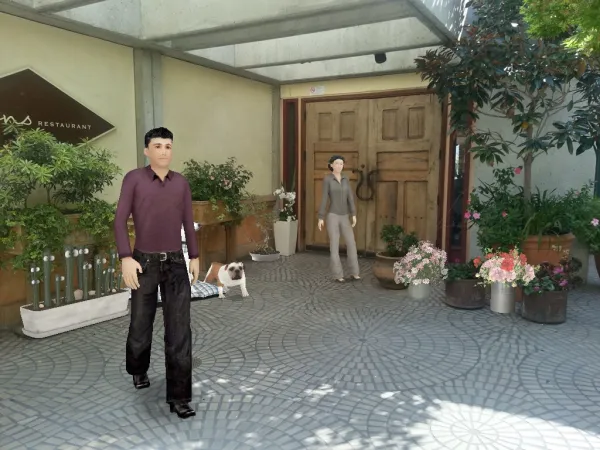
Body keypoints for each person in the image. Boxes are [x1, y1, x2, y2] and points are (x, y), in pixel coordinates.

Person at [114, 127, 200, 419]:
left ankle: (180, 397)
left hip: (175, 263)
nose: (164, 151)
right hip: (144, 264)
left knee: (180, 330)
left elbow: (188, 222)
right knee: (140, 323)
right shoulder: (134, 179)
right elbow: (119, 221)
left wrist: (194, 256)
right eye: (158, 146)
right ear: (146, 150)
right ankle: (137, 369)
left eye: (168, 146)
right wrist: (126, 257)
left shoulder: (181, 183)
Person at [317, 155, 360, 282]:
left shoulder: (346, 178)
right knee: (334, 245)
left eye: (341, 163)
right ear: (331, 165)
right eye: (336, 163)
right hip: (333, 216)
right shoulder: (328, 179)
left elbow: (350, 197)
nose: (339, 166)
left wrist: (353, 213)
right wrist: (321, 217)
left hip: (345, 216)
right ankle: (338, 274)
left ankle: (354, 272)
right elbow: (324, 198)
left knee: (351, 243)